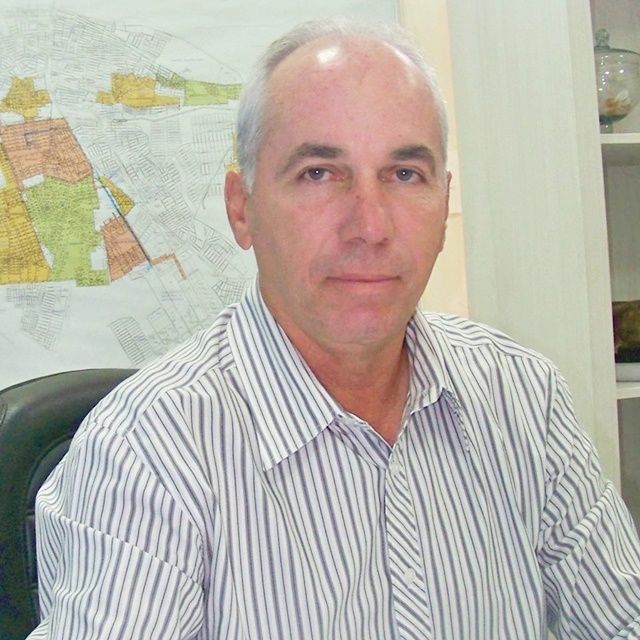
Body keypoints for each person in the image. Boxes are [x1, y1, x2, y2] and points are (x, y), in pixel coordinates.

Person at [28, 16, 640, 640]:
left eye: (405, 174)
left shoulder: (523, 396)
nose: (370, 227)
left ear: (443, 204)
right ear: (241, 209)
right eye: (319, 173)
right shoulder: (148, 453)